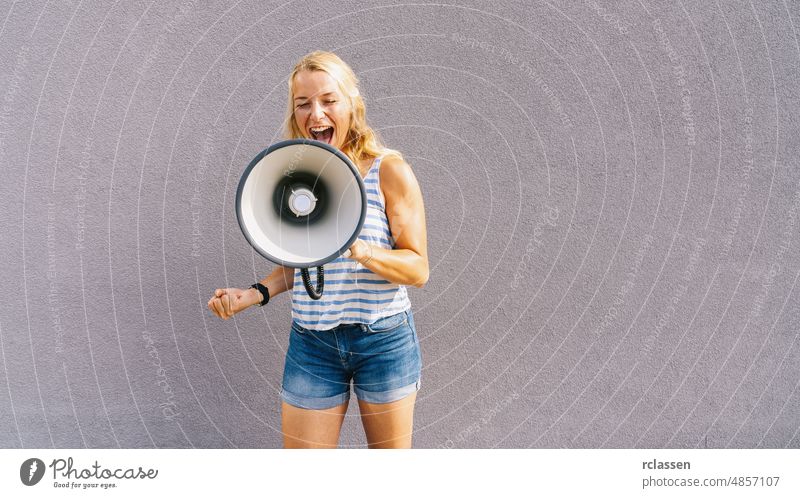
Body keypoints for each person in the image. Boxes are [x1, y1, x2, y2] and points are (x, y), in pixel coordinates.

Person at [207, 51, 429, 449]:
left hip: (382, 340)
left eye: (329, 100)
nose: (316, 113)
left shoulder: (388, 171)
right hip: (312, 344)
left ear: (351, 105)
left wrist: (362, 251)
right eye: (303, 104)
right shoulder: (292, 177)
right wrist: (254, 294)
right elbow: (299, 267)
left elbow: (418, 269)